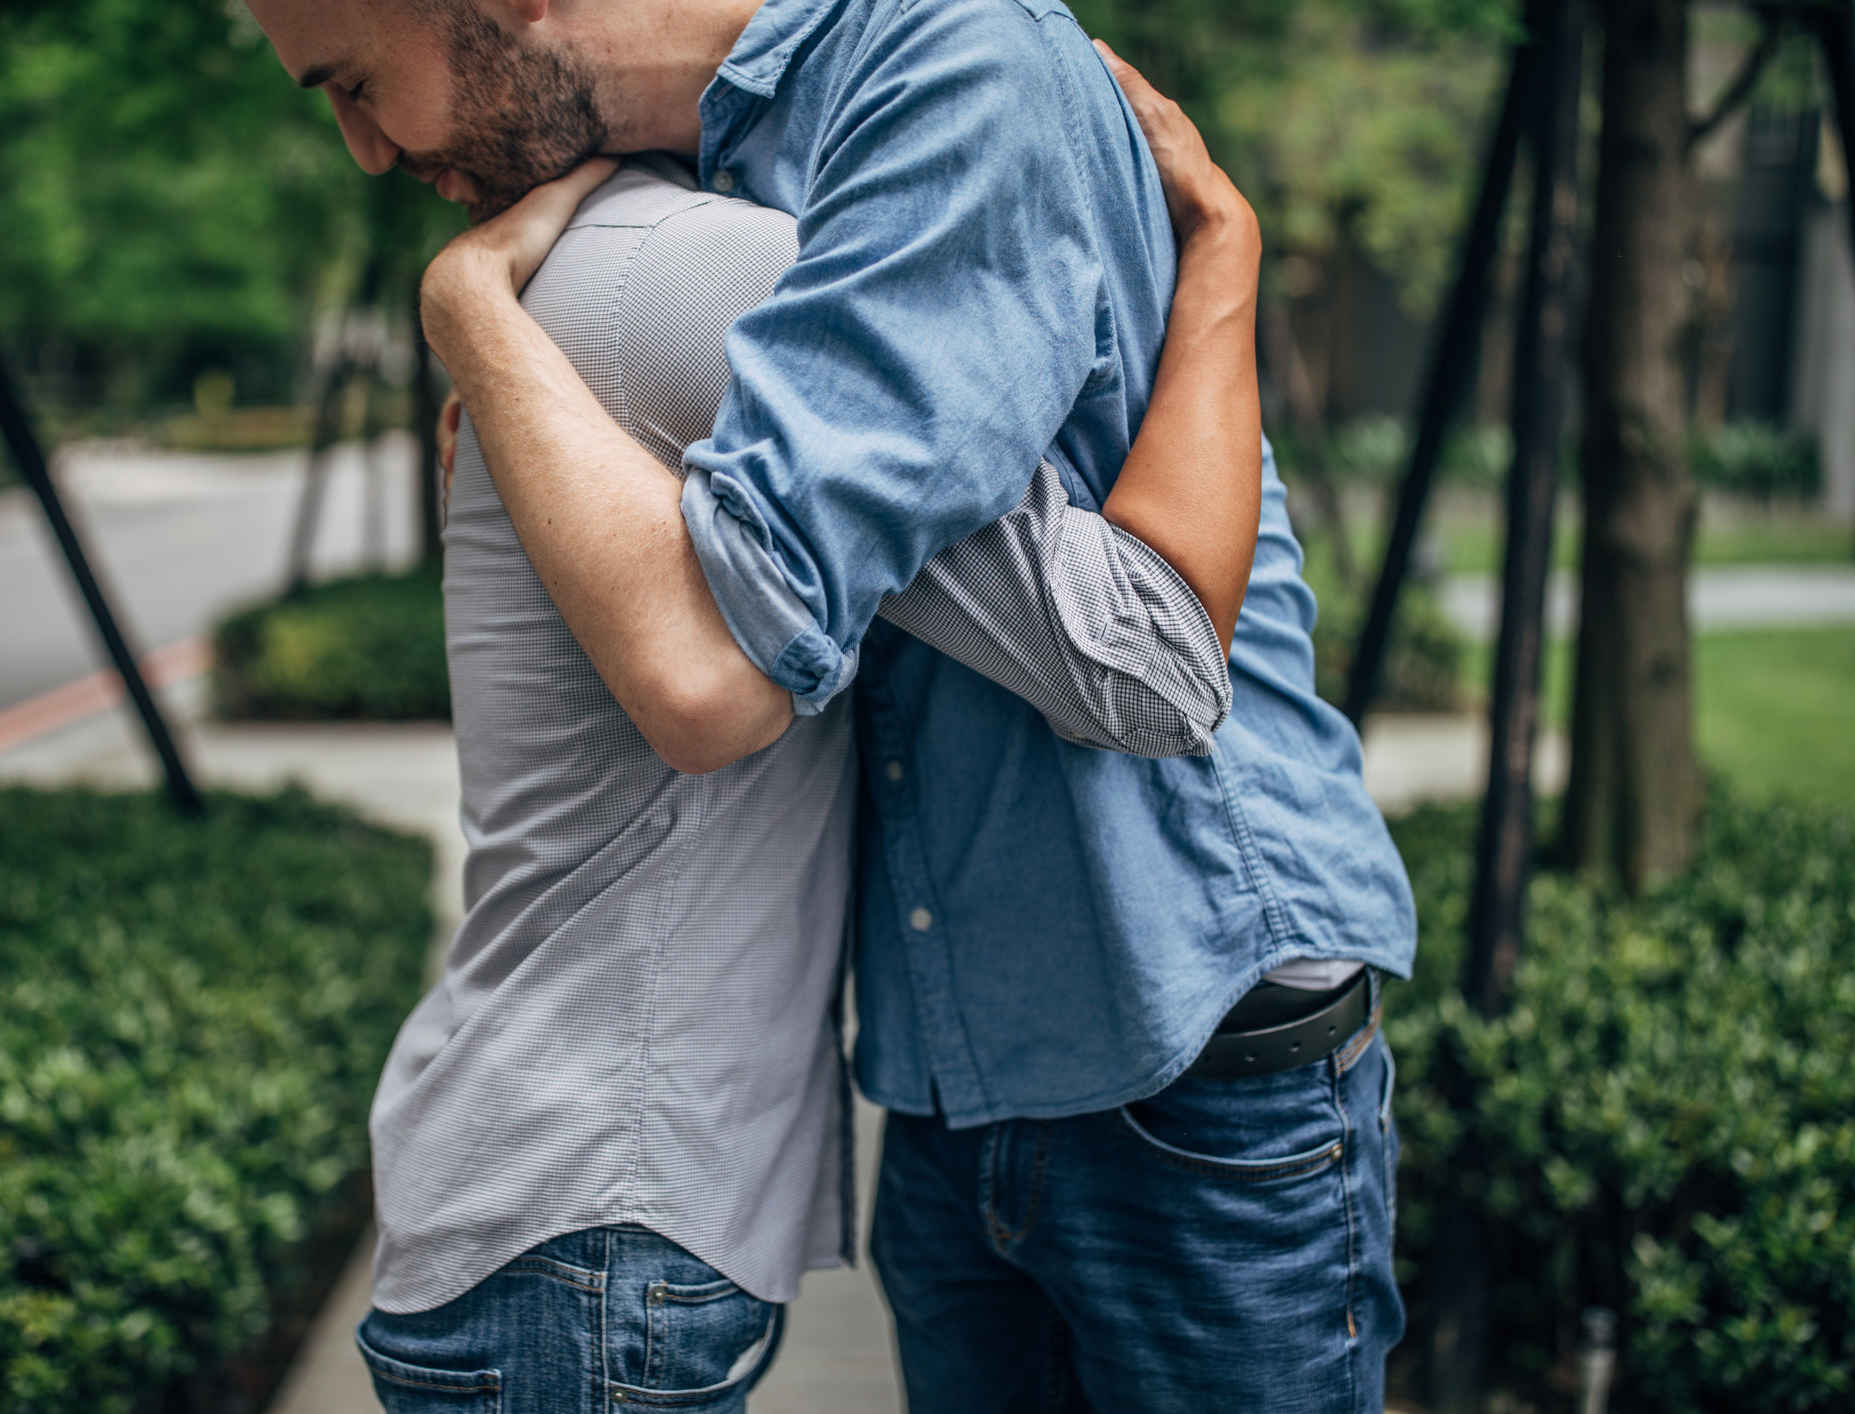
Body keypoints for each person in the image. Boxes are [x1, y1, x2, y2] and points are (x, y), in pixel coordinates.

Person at [243, 0, 1418, 1406]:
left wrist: (1225, 261)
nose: (364, 151)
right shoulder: (700, 205)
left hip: (1189, 1035)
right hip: (956, 1078)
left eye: (357, 84)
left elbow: (1139, 656)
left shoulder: (945, 72)